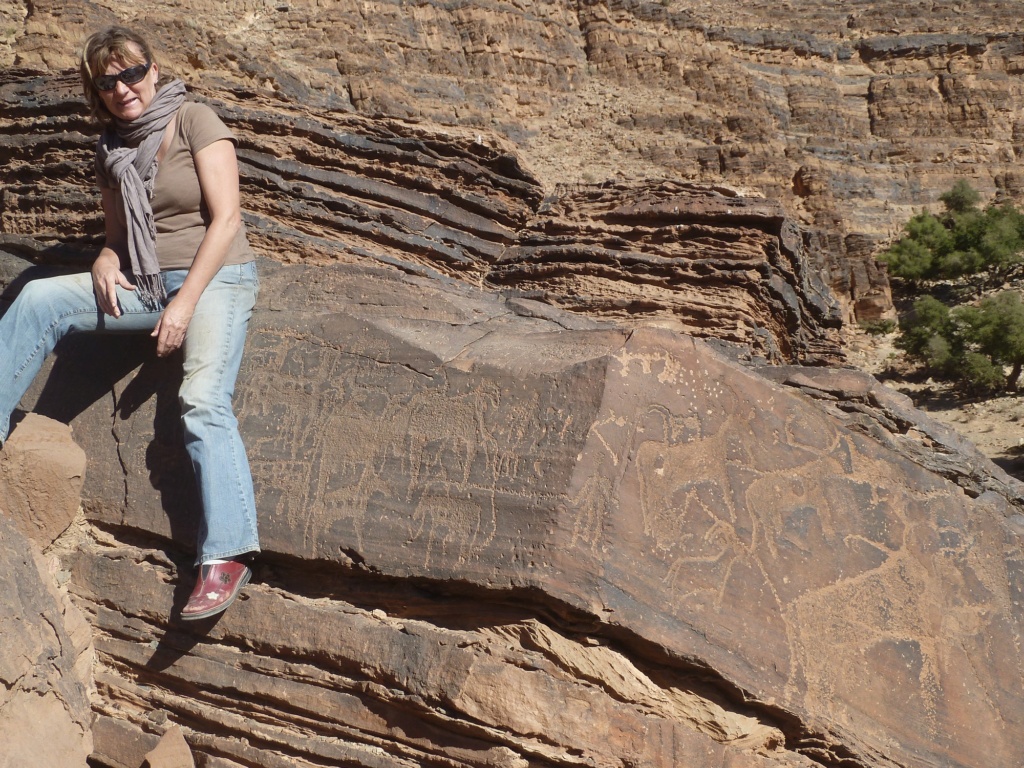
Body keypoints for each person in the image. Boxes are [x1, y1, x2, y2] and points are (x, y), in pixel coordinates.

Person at [0, 25, 260, 620]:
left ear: (154, 70)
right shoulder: (111, 147)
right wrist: (104, 257)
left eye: (132, 72)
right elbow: (118, 238)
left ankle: (226, 553)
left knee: (201, 400)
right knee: (40, 298)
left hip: (215, 277)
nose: (123, 88)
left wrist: (184, 304)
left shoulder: (195, 119)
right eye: (108, 81)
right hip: (144, 283)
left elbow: (226, 221)